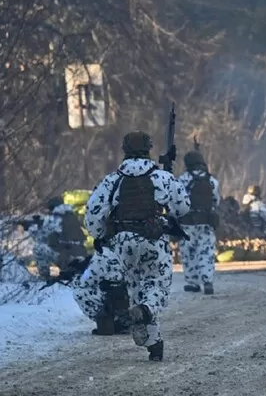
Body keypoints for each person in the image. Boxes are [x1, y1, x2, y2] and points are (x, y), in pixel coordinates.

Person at [84, 131, 190, 361]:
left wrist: (101, 235)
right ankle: (144, 315)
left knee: (136, 290)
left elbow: (92, 214)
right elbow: (183, 207)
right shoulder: (161, 177)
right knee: (156, 289)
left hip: (122, 242)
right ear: (149, 148)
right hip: (154, 240)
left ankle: (154, 344)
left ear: (125, 150)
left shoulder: (113, 179)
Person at [177, 150, 221, 294]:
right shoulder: (211, 181)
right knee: (206, 252)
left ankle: (192, 282)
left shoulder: (183, 179)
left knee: (188, 253)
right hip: (206, 222)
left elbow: (178, 201)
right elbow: (216, 201)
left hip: (187, 223)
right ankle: (207, 281)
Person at [70, 252, 133, 336]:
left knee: (79, 292)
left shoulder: (100, 257)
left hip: (114, 297)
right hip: (131, 293)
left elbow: (85, 282)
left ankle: (109, 321)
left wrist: (74, 276)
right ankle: (125, 319)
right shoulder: (122, 249)